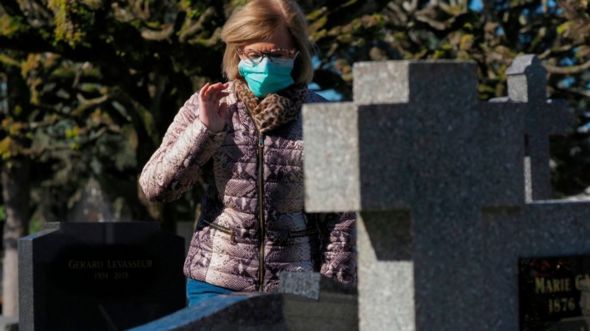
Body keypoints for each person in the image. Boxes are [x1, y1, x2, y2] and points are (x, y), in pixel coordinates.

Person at [139, 0, 356, 307]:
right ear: (238, 52)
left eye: (277, 54)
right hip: (216, 277)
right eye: (255, 54)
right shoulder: (210, 103)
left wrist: (334, 294)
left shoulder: (320, 114)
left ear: (297, 53)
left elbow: (343, 216)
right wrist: (205, 131)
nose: (265, 64)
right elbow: (155, 188)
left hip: (297, 279)